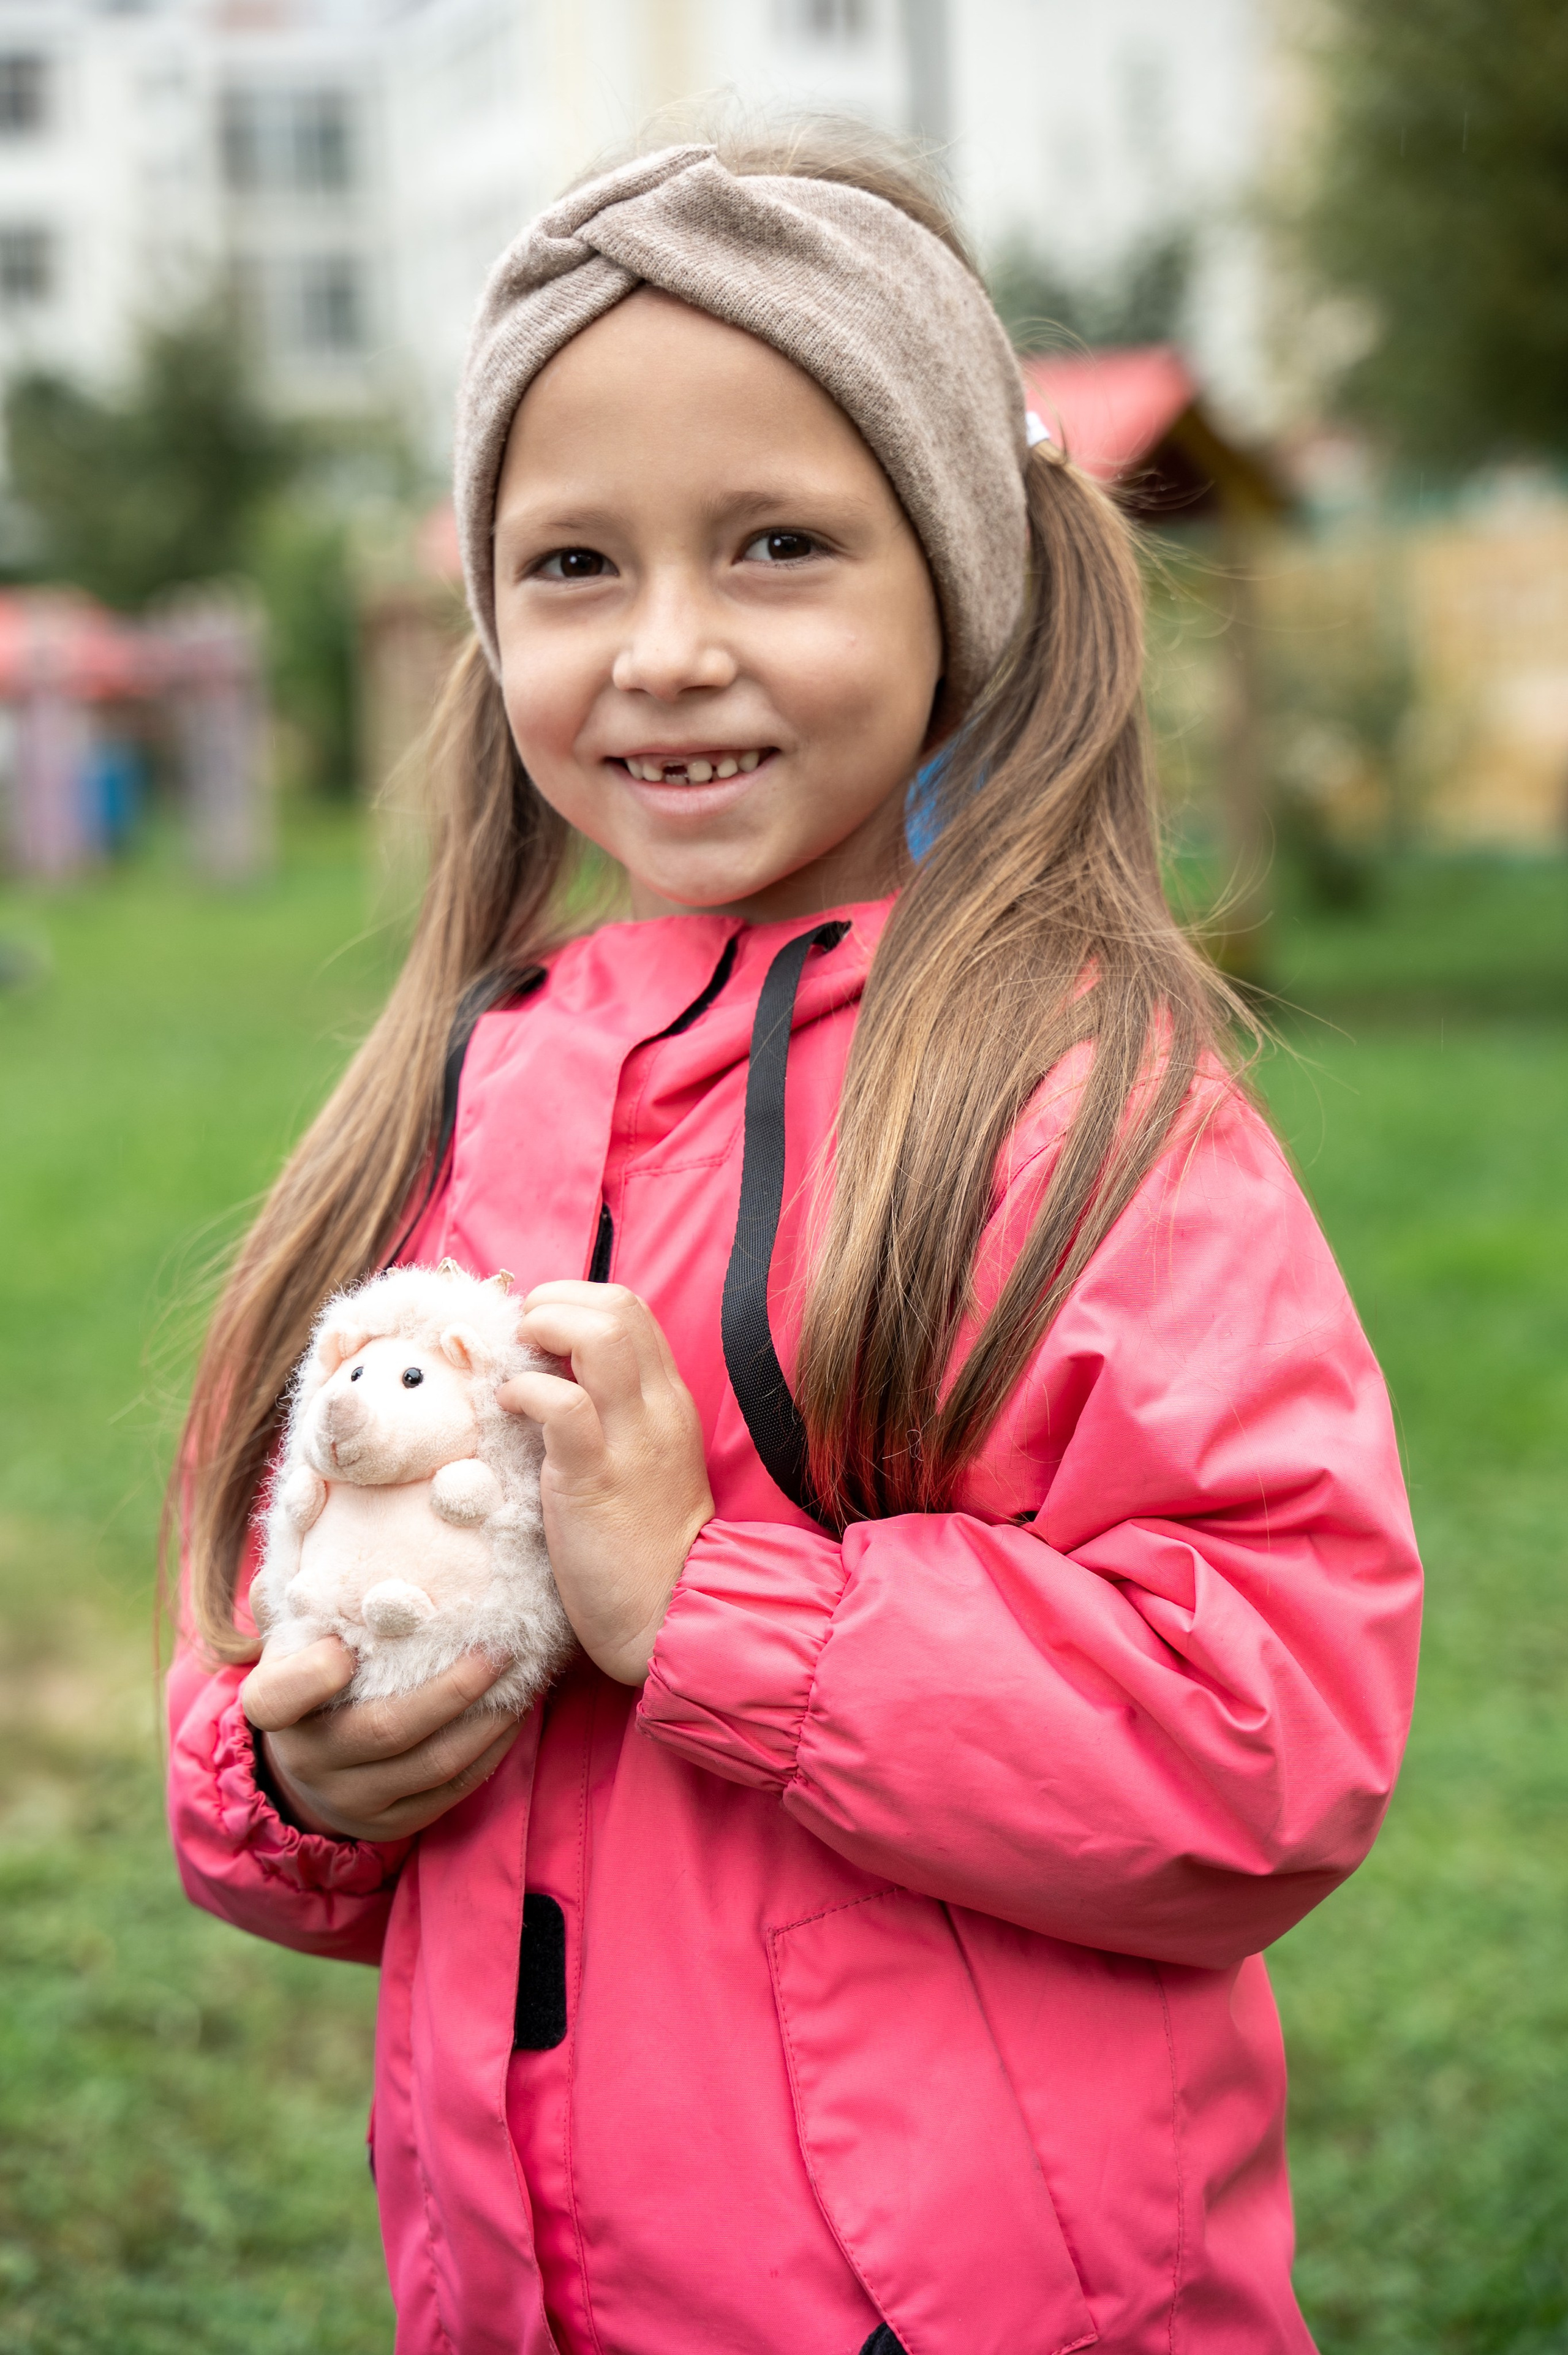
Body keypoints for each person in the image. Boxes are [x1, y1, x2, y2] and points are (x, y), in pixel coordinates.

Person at [166, 127, 1422, 2355]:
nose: (665, 650)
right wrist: (293, 1772)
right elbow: (291, 1613)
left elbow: (1275, 1722)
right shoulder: (472, 1093)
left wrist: (720, 1609)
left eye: (777, 544)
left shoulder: (1084, 1100)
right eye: (571, 563)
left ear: (954, 574)